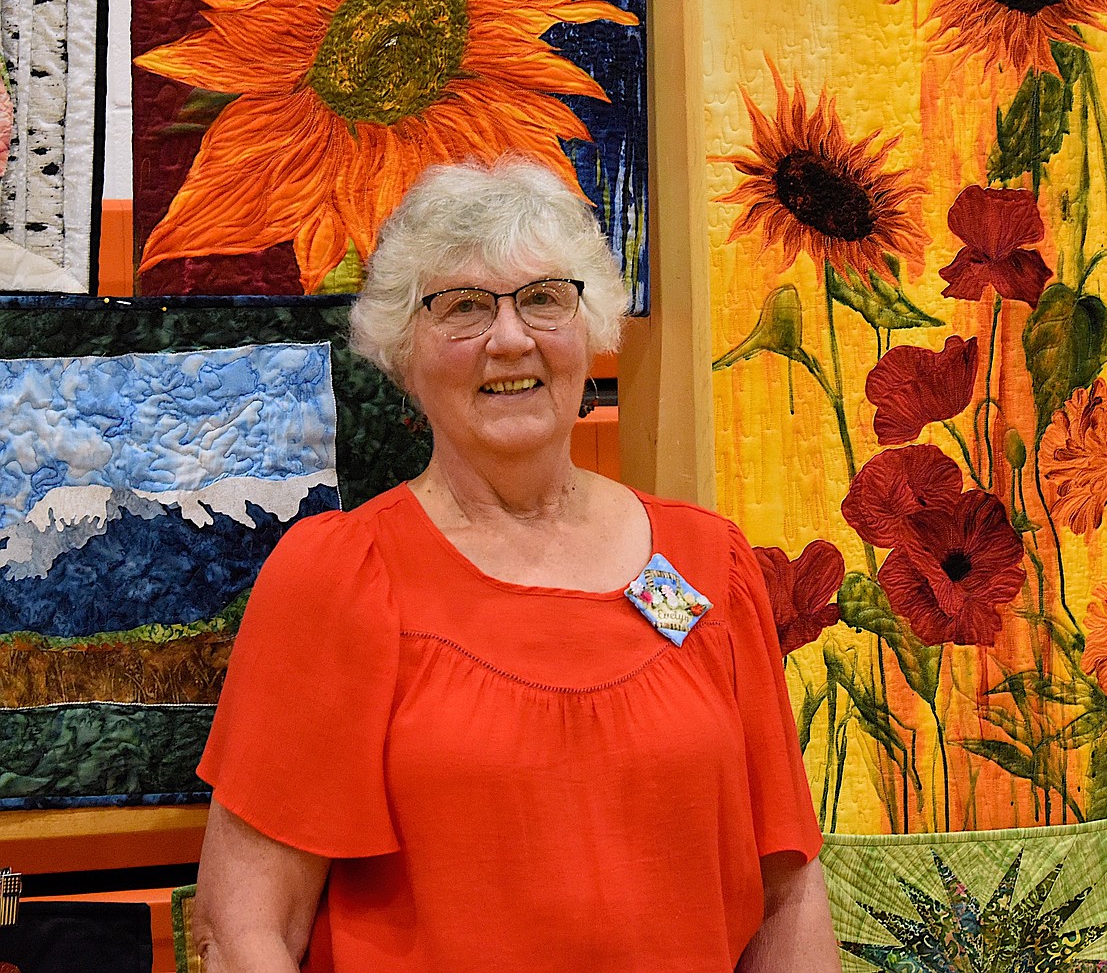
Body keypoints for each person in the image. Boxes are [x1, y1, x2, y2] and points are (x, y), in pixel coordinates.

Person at [192, 157, 842, 973]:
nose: (510, 338)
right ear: (403, 348)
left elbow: (789, 889)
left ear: (590, 325)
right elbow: (244, 929)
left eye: (543, 299)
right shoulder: (339, 579)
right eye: (462, 308)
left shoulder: (707, 566)